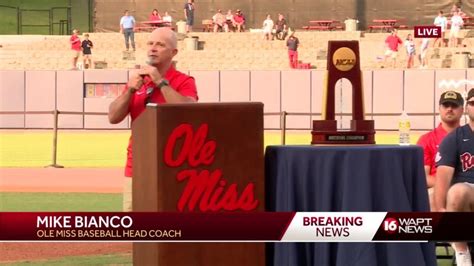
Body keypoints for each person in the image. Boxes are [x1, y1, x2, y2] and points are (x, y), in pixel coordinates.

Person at [108, 28, 198, 212]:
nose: (153, 48)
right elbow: (113, 117)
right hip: (137, 167)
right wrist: (130, 90)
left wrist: (160, 82)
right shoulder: (137, 81)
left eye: (160, 44)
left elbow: (188, 111)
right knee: (137, 231)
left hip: (172, 168)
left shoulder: (184, 81)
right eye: (150, 43)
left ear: (173, 52)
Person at [434, 88, 474, 266]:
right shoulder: (456, 137)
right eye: (473, 103)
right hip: (467, 194)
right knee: (457, 191)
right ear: (467, 108)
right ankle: (462, 254)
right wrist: (441, 208)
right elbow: (442, 176)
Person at [417, 90, 464, 210]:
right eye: (446, 105)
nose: (449, 109)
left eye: (454, 105)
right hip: (436, 188)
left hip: (467, 187)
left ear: (462, 110)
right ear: (439, 108)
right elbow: (423, 177)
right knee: (432, 197)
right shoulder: (426, 139)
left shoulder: (469, 136)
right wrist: (448, 186)